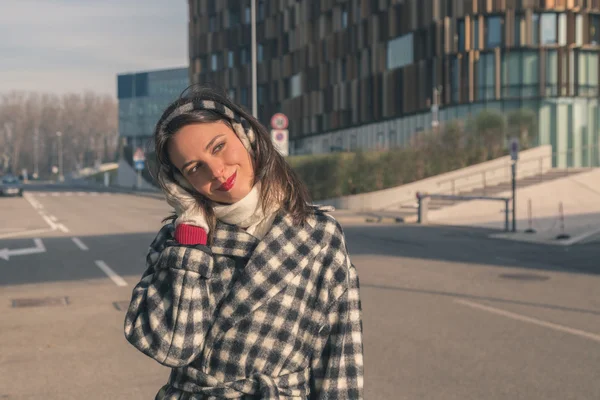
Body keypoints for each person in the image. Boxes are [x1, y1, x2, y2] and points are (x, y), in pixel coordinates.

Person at [124, 86, 364, 399]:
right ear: (182, 182)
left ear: (246, 136)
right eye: (195, 168)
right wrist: (191, 236)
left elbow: (339, 360)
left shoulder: (319, 235)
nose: (217, 170)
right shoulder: (178, 242)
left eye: (218, 146)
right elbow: (171, 347)